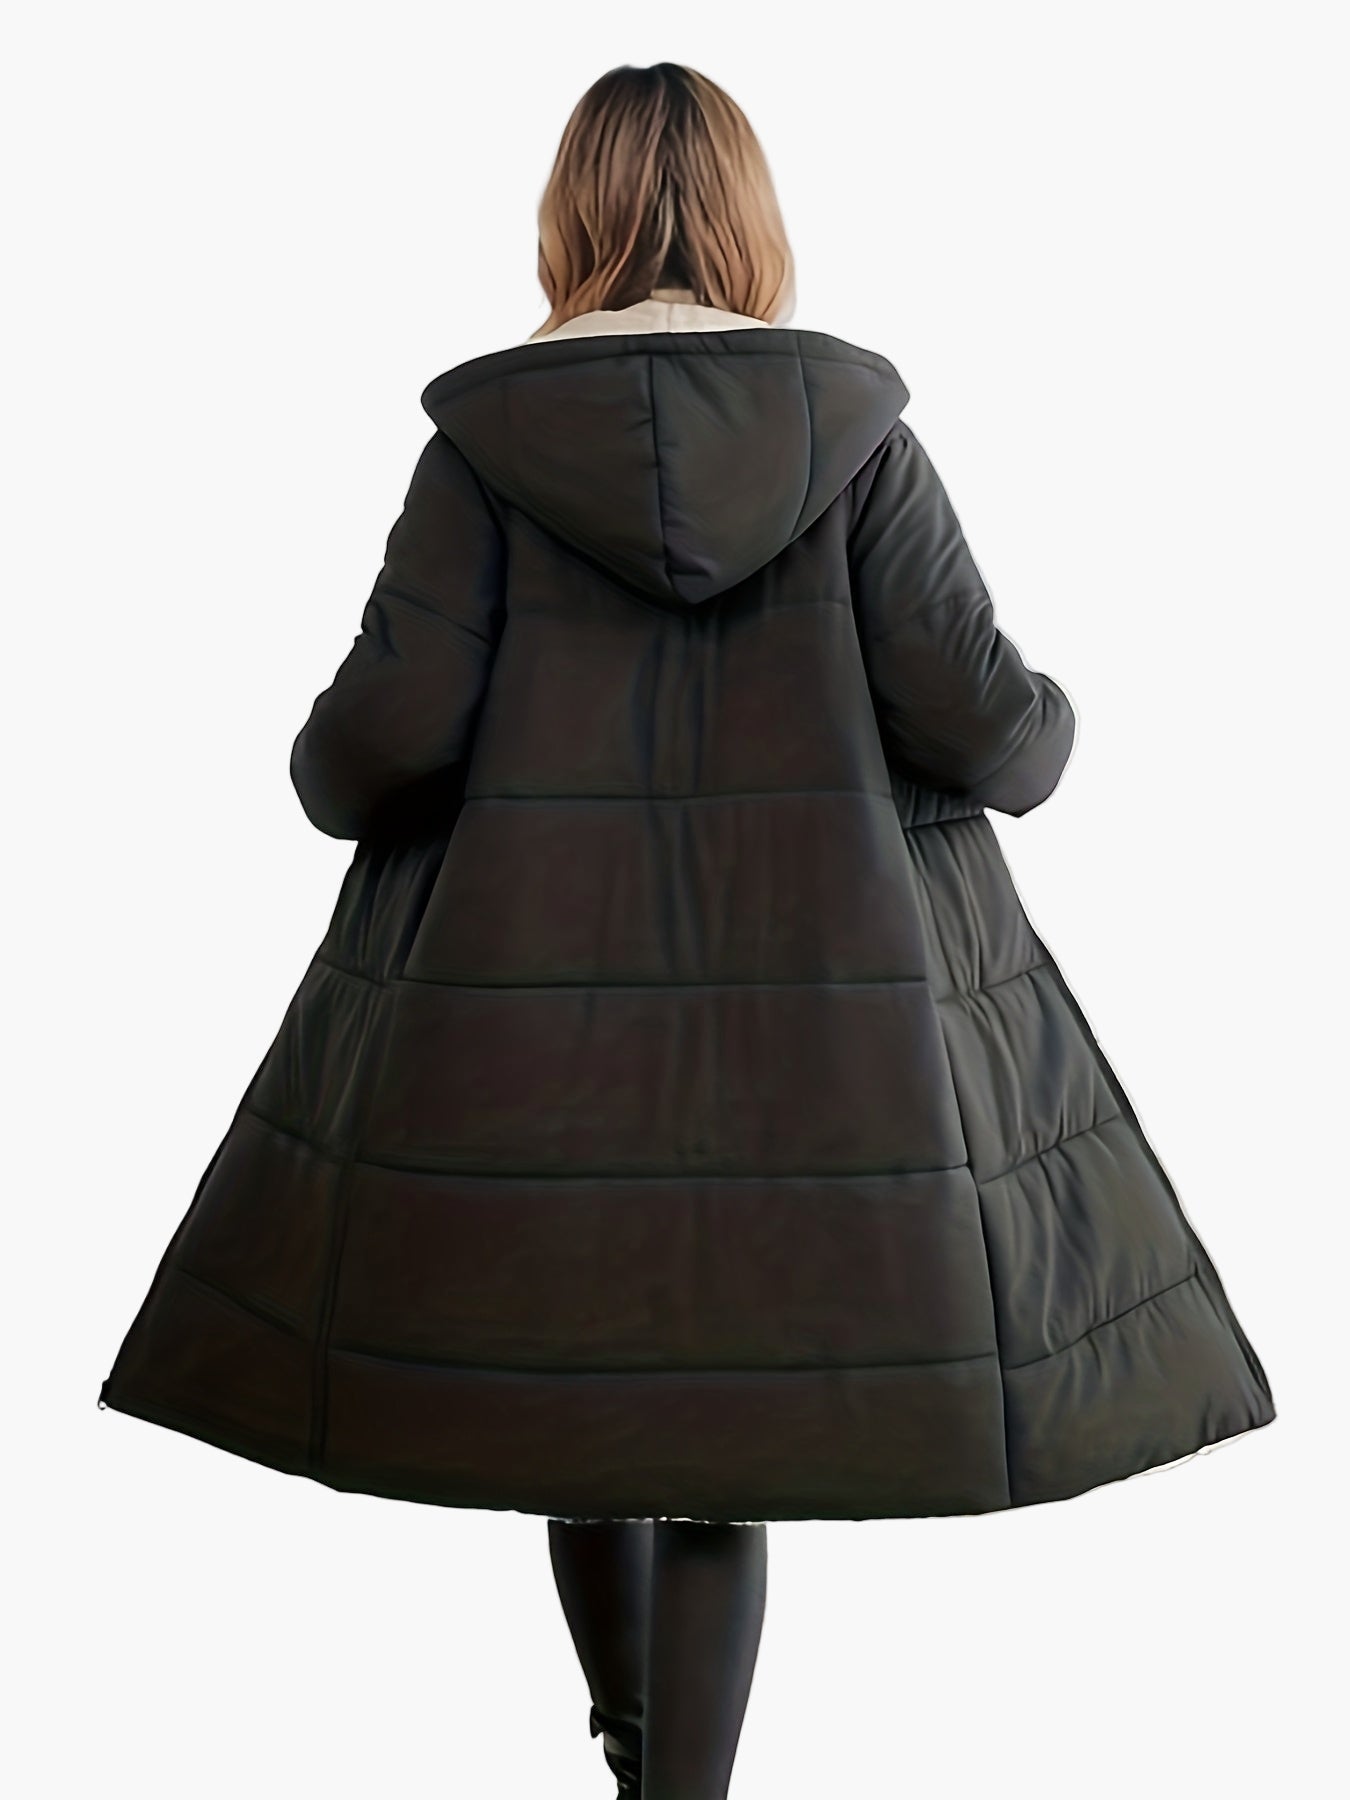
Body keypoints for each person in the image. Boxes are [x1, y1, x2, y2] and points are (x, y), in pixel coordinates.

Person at [98, 61, 1276, 1800]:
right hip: (822, 1045)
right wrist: (1056, 715)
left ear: (567, 216)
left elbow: (372, 754)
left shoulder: (486, 457)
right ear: (748, 218)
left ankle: (632, 1745)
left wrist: (325, 754)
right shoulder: (854, 446)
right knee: (731, 1438)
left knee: (584, 1401)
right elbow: (987, 737)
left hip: (527, 1034)